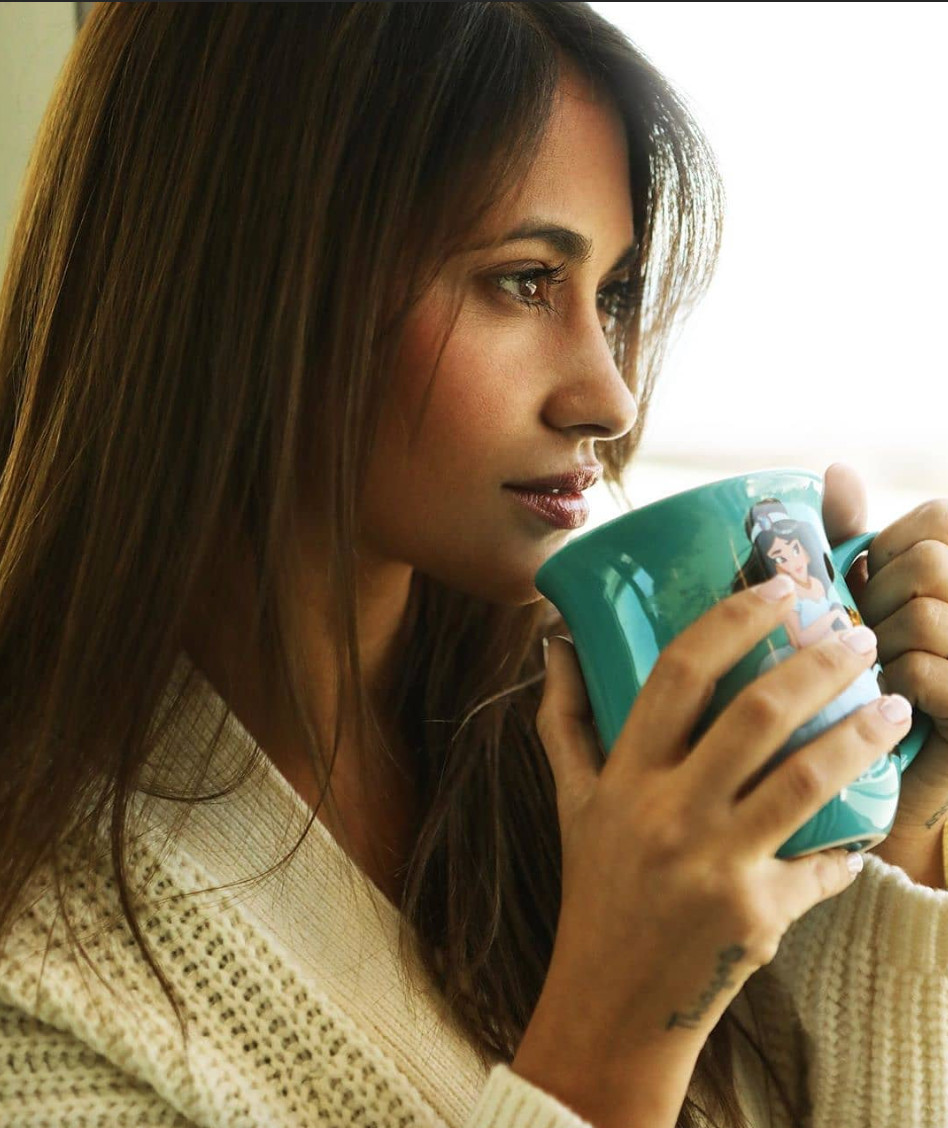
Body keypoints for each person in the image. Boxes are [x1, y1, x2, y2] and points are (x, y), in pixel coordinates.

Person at [1, 5, 947, 1127]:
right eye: (524, 280)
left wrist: (887, 833)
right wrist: (616, 1029)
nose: (607, 397)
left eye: (611, 296)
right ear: (247, 276)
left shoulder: (587, 758)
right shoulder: (43, 970)